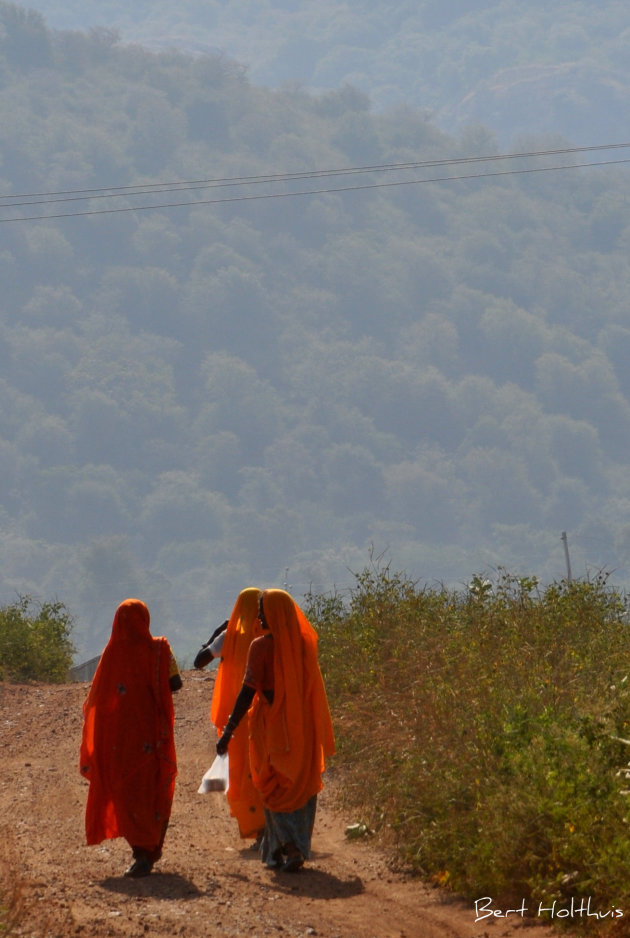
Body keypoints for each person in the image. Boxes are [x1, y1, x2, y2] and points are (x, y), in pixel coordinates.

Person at [216, 588, 335, 872]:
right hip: (304, 733)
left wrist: (229, 729)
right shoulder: (304, 646)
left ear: (273, 614)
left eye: (262, 610)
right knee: (301, 788)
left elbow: (248, 691)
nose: (258, 616)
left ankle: (290, 848)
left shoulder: (260, 647)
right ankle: (291, 847)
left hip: (274, 732)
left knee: (274, 788)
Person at [79, 598, 182, 878]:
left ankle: (141, 851)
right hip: (151, 739)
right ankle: (148, 848)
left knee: (126, 794)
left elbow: (96, 702)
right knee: (149, 791)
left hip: (120, 742)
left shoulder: (111, 655)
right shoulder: (160, 649)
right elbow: (176, 684)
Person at [195, 588, 265, 843]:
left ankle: (258, 829)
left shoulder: (230, 636)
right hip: (265, 714)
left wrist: (216, 635)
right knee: (262, 767)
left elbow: (198, 661)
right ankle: (271, 827)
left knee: (241, 771)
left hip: (237, 716)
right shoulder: (271, 634)